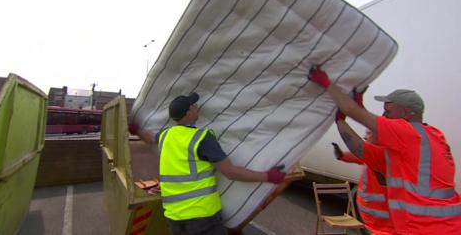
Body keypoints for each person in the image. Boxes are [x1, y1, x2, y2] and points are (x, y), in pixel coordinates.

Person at [309, 66, 461, 234]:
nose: (383, 116)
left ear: (406, 113)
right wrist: (341, 121)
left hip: (428, 229)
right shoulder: (429, 136)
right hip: (444, 226)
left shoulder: (407, 133)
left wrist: (326, 83)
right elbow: (361, 150)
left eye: (387, 111)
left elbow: (353, 112)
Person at [131, 92, 286, 235]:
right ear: (188, 113)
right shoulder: (202, 138)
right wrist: (268, 176)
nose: (197, 108)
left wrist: (137, 130)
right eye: (194, 106)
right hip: (202, 217)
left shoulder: (165, 136)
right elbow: (231, 172)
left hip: (174, 218)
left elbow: (150, 138)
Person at [333, 94, 396, 235]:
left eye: (369, 134)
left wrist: (340, 120)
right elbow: (358, 157)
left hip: (383, 223)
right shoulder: (378, 153)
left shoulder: (384, 155)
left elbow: (360, 149)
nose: (366, 136)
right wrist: (342, 156)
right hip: (373, 218)